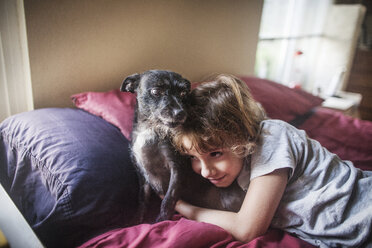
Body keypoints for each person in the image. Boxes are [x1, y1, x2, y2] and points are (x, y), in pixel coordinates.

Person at [171, 74, 372, 248]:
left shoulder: (272, 138)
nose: (205, 171)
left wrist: (181, 206)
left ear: (242, 136)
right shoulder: (240, 160)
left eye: (215, 154)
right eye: (193, 158)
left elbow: (246, 229)